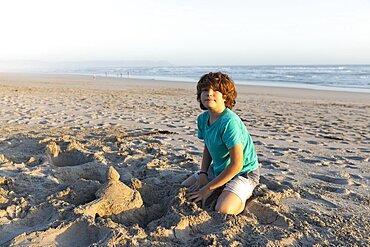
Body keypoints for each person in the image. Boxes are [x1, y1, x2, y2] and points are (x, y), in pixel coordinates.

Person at [182, 72, 260, 215]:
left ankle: (245, 194)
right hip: (219, 169)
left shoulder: (229, 122)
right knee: (184, 187)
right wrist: (204, 173)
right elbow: (208, 146)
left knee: (223, 209)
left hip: (243, 173)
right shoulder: (203, 119)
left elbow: (237, 165)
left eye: (215, 90)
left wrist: (207, 189)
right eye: (205, 90)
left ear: (225, 96)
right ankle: (220, 185)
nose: (209, 94)